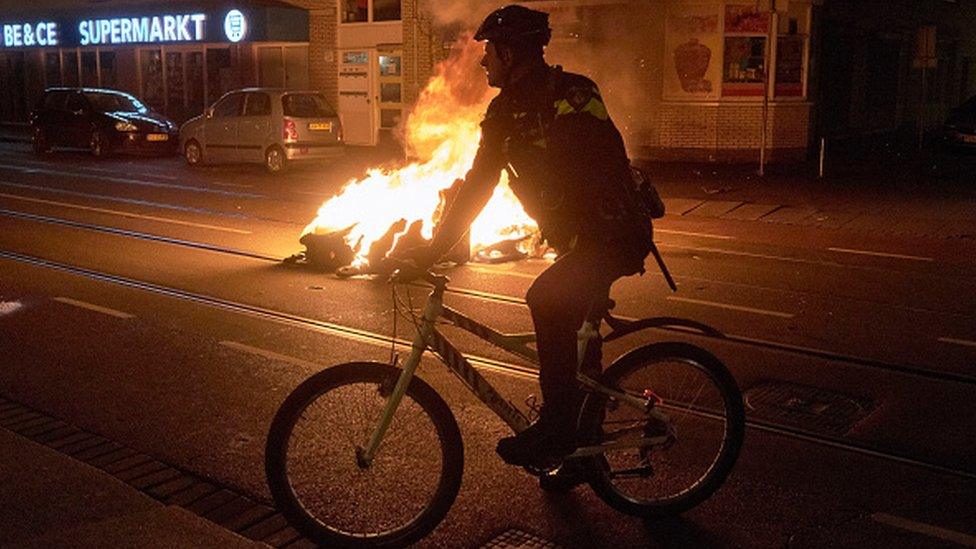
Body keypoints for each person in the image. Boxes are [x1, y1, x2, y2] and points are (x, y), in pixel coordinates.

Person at [404, 4, 654, 468]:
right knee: (576, 336)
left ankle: (559, 431)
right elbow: (478, 185)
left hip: (614, 231)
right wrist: (433, 248)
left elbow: (595, 166)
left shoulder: (574, 94)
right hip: (578, 239)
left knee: (547, 299)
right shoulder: (504, 112)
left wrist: (540, 151)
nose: (483, 62)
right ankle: (582, 450)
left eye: (490, 53)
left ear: (511, 54)